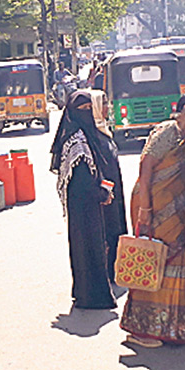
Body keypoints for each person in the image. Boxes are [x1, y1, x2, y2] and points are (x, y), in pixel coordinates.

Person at [120, 93, 185, 348]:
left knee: (173, 263)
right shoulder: (166, 132)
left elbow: (171, 167)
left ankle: (169, 327)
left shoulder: (182, 137)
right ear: (184, 110)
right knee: (152, 262)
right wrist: (145, 210)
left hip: (174, 214)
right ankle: (142, 330)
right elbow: (146, 171)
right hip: (155, 209)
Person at [50, 92, 119, 309]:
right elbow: (82, 180)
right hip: (84, 207)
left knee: (84, 250)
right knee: (89, 250)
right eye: (83, 109)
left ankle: (84, 293)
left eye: (91, 108)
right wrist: (102, 193)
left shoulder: (83, 135)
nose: (88, 113)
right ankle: (92, 297)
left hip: (83, 207)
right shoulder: (76, 140)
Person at [90, 90, 128, 285]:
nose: (107, 107)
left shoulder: (104, 130)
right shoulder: (92, 136)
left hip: (115, 192)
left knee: (117, 230)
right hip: (106, 194)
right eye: (103, 103)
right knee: (107, 233)